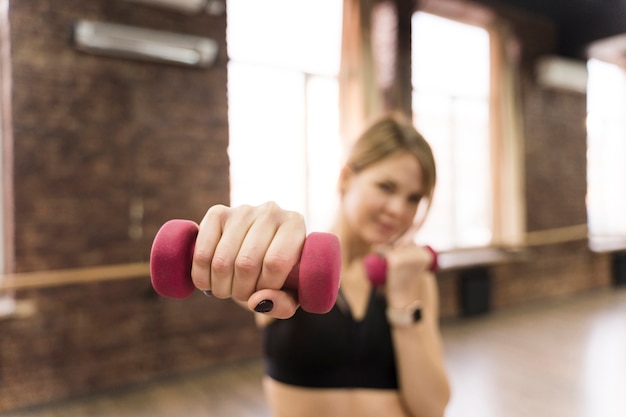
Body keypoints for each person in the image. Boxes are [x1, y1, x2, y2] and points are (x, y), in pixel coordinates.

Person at [190, 112, 451, 417]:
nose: (398, 210)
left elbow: (431, 408)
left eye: (413, 198)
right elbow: (242, 280)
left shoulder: (414, 278)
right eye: (387, 187)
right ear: (346, 178)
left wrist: (403, 299)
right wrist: (239, 246)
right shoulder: (287, 266)